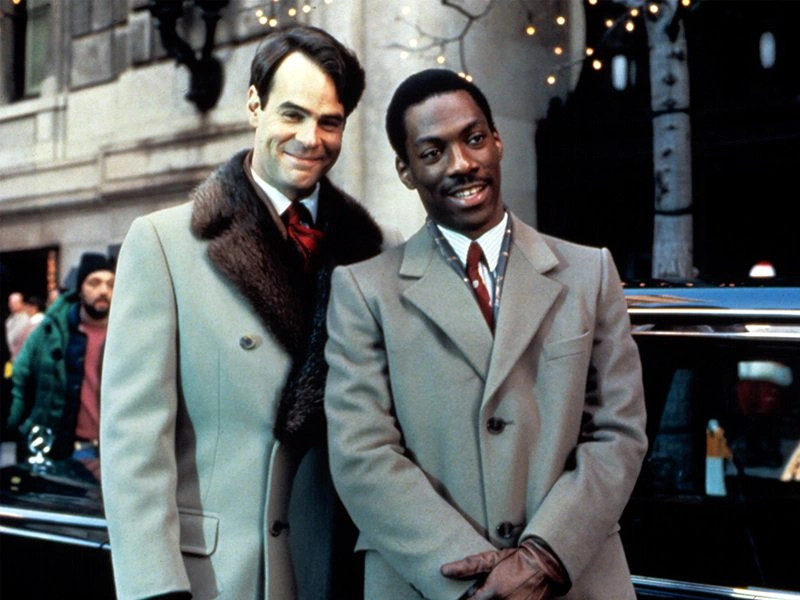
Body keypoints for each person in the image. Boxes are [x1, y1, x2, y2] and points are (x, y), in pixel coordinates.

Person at [324, 69, 649, 599]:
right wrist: (474, 580)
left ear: (497, 141)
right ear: (406, 170)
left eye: (474, 138)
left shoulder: (589, 272)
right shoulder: (364, 291)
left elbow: (619, 433)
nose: (462, 164)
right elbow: (362, 454)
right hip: (431, 583)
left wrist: (543, 557)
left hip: (574, 579)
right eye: (433, 153)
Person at [100, 24, 398, 600]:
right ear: (255, 105)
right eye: (292, 114)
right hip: (217, 578)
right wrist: (155, 588)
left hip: (337, 570)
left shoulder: (376, 251)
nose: (310, 138)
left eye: (330, 121)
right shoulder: (165, 243)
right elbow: (134, 442)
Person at [8, 253, 115, 464]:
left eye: (111, 284)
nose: (104, 291)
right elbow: (20, 381)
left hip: (111, 453)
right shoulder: (50, 331)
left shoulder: (127, 334)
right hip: (57, 451)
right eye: (94, 283)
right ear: (80, 288)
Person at [5, 292, 29, 364]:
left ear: (21, 303)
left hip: (18, 358)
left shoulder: (25, 318)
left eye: (15, 303)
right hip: (11, 357)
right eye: (10, 303)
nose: (12, 305)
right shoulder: (10, 318)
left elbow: (12, 338)